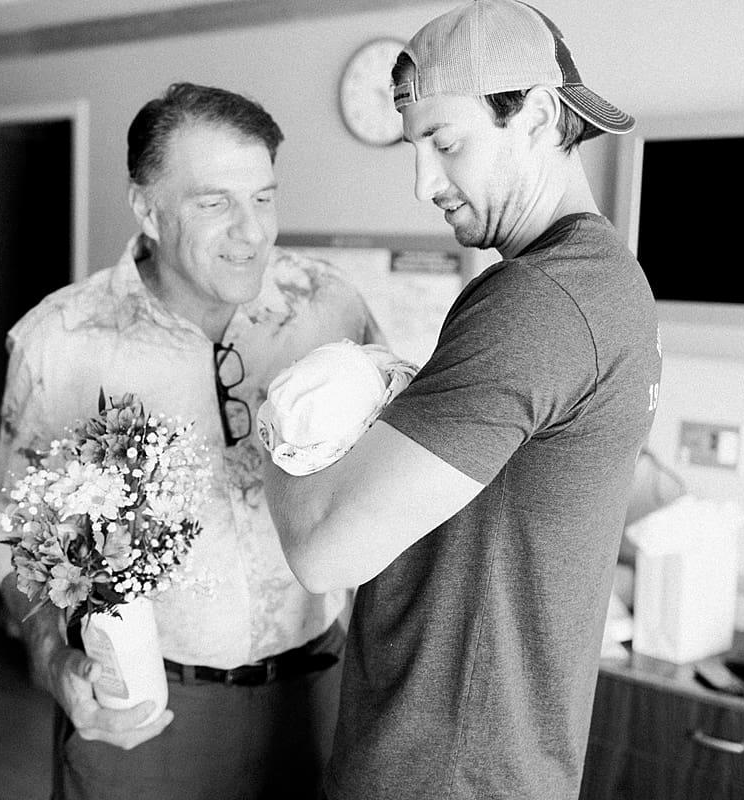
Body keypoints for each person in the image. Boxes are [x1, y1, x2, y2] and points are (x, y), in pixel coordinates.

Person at [262, 2, 663, 799]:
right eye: (415, 150)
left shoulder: (539, 302)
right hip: (499, 760)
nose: (423, 184)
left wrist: (284, 421)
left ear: (541, 116)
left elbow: (322, 551)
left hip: (442, 769)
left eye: (445, 143)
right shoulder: (609, 281)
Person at [0, 82, 383, 800]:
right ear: (147, 208)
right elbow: (17, 531)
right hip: (144, 714)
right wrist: (55, 663)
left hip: (317, 696)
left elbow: (384, 475)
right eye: (214, 202)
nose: (252, 232)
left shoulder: (329, 306)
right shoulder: (61, 340)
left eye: (263, 198)